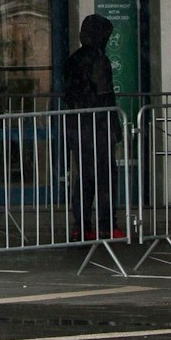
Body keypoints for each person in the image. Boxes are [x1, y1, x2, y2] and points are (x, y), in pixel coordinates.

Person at [64, 13, 118, 238]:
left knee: (85, 176)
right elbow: (104, 94)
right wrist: (113, 126)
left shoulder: (73, 59)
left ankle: (82, 225)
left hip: (77, 124)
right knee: (105, 176)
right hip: (97, 125)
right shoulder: (99, 59)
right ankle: (106, 225)